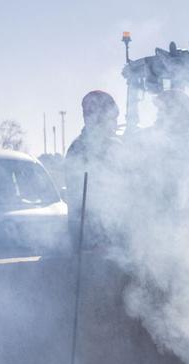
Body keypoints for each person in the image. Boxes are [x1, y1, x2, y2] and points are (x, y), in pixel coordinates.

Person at [64, 90, 122, 248]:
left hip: (115, 237)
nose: (115, 124)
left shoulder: (115, 146)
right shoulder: (79, 149)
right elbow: (86, 200)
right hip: (91, 241)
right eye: (112, 118)